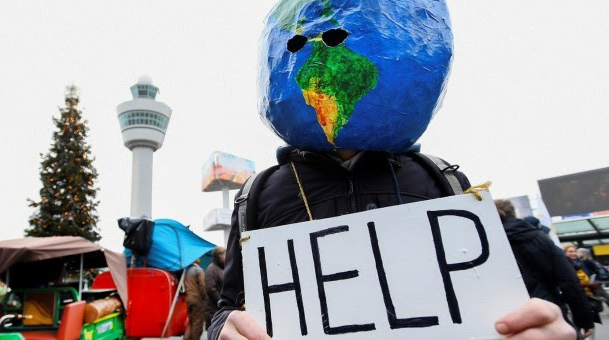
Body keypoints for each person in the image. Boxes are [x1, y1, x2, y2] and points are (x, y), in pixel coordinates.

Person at [208, 0, 577, 339]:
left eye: (337, 38)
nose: (319, 64)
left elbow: (501, 299)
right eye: (300, 45)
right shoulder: (257, 194)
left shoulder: (442, 179)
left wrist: (545, 326)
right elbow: (229, 306)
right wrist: (224, 330)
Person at [495, 199, 595, 337]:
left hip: (504, 317)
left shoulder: (486, 241)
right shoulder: (540, 238)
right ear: (513, 213)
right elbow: (569, 281)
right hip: (548, 310)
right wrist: (584, 320)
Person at [563, 243, 604, 325]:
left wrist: (593, 283)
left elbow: (589, 275)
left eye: (574, 251)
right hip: (574, 298)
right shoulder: (563, 265)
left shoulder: (581, 264)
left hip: (588, 296)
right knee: (578, 323)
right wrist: (585, 285)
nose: (573, 253)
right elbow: (567, 282)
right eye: (570, 251)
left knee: (589, 323)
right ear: (564, 253)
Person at [184, 259, 206, 340]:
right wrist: (205, 297)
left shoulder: (186, 271)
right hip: (197, 299)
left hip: (189, 298)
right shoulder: (199, 270)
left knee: (191, 322)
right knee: (197, 323)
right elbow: (202, 286)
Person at [205, 247, 226, 329]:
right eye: (223, 254)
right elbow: (211, 289)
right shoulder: (212, 269)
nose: (226, 256)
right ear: (217, 256)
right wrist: (221, 301)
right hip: (213, 309)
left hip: (219, 308)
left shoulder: (221, 268)